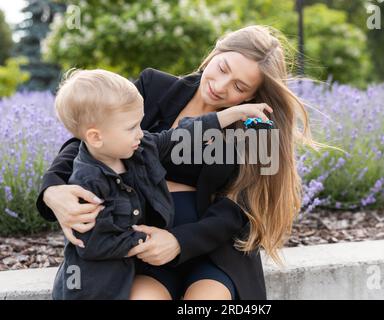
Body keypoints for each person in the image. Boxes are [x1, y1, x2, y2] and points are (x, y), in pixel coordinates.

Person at [37, 25, 321, 300]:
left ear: (252, 95)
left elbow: (245, 207)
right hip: (145, 245)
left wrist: (179, 242)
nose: (220, 87)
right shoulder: (153, 87)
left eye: (239, 86)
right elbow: (88, 139)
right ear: (215, 53)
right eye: (222, 68)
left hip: (214, 249)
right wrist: (52, 190)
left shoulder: (259, 128)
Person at [50, 68, 271, 299]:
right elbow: (96, 241)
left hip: (212, 251)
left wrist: (234, 114)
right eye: (132, 128)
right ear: (96, 137)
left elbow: (179, 135)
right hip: (118, 275)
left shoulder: (137, 146)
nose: (141, 133)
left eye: (240, 86)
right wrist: (145, 239)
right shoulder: (89, 183)